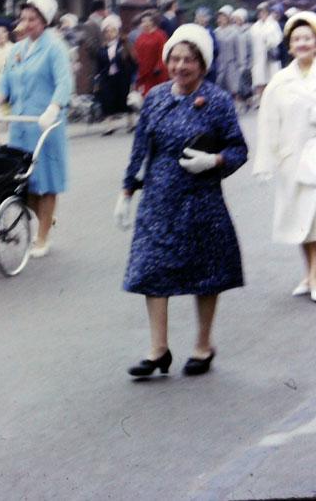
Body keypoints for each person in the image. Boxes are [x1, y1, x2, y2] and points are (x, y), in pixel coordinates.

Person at [114, 24, 248, 377]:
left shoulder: (217, 101)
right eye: (174, 59)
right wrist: (127, 190)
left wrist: (215, 161)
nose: (180, 66)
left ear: (202, 64)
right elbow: (141, 145)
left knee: (207, 272)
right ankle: (158, 349)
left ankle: (203, 345)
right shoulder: (156, 97)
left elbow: (238, 148)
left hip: (200, 197)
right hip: (159, 198)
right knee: (151, 269)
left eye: (188, 60)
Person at [253, 11, 316, 304]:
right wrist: (265, 161)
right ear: (289, 46)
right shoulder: (279, 81)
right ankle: (308, 273)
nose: (302, 43)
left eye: (308, 38)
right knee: (299, 219)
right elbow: (268, 122)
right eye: (297, 39)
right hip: (292, 157)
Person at [0, 0, 73, 257]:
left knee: (45, 182)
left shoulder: (55, 47)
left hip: (45, 123)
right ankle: (46, 218)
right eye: (23, 18)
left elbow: (64, 82)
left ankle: (42, 237)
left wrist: (54, 108)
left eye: (32, 19)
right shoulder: (16, 50)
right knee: (24, 183)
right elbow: (4, 82)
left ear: (44, 21)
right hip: (21, 124)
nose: (26, 23)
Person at [93, 14, 136, 135]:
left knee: (125, 100)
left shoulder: (124, 46)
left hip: (122, 77)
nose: (110, 33)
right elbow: (99, 65)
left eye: (112, 31)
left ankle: (131, 123)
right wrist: (97, 80)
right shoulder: (102, 48)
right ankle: (109, 126)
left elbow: (133, 63)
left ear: (117, 31)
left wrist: (132, 78)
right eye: (107, 31)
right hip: (107, 78)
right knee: (107, 101)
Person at [251, 2, 283, 104]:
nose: (261, 14)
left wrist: (270, 41)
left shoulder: (273, 24)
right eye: (260, 12)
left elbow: (278, 38)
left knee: (271, 77)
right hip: (258, 55)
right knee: (260, 78)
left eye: (264, 12)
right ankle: (261, 100)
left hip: (270, 54)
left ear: (267, 12)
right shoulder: (255, 26)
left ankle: (272, 100)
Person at [133, 12, 169, 96]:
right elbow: (137, 53)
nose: (144, 23)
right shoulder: (140, 37)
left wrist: (159, 66)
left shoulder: (160, 35)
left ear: (152, 22)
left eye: (146, 21)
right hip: (144, 72)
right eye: (142, 22)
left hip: (156, 72)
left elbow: (163, 52)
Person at [213, 5, 241, 99]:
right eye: (220, 16)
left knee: (233, 90)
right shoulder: (215, 32)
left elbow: (238, 51)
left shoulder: (234, 31)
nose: (221, 19)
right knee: (219, 90)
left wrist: (240, 66)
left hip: (231, 64)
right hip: (220, 65)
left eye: (224, 16)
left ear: (229, 18)